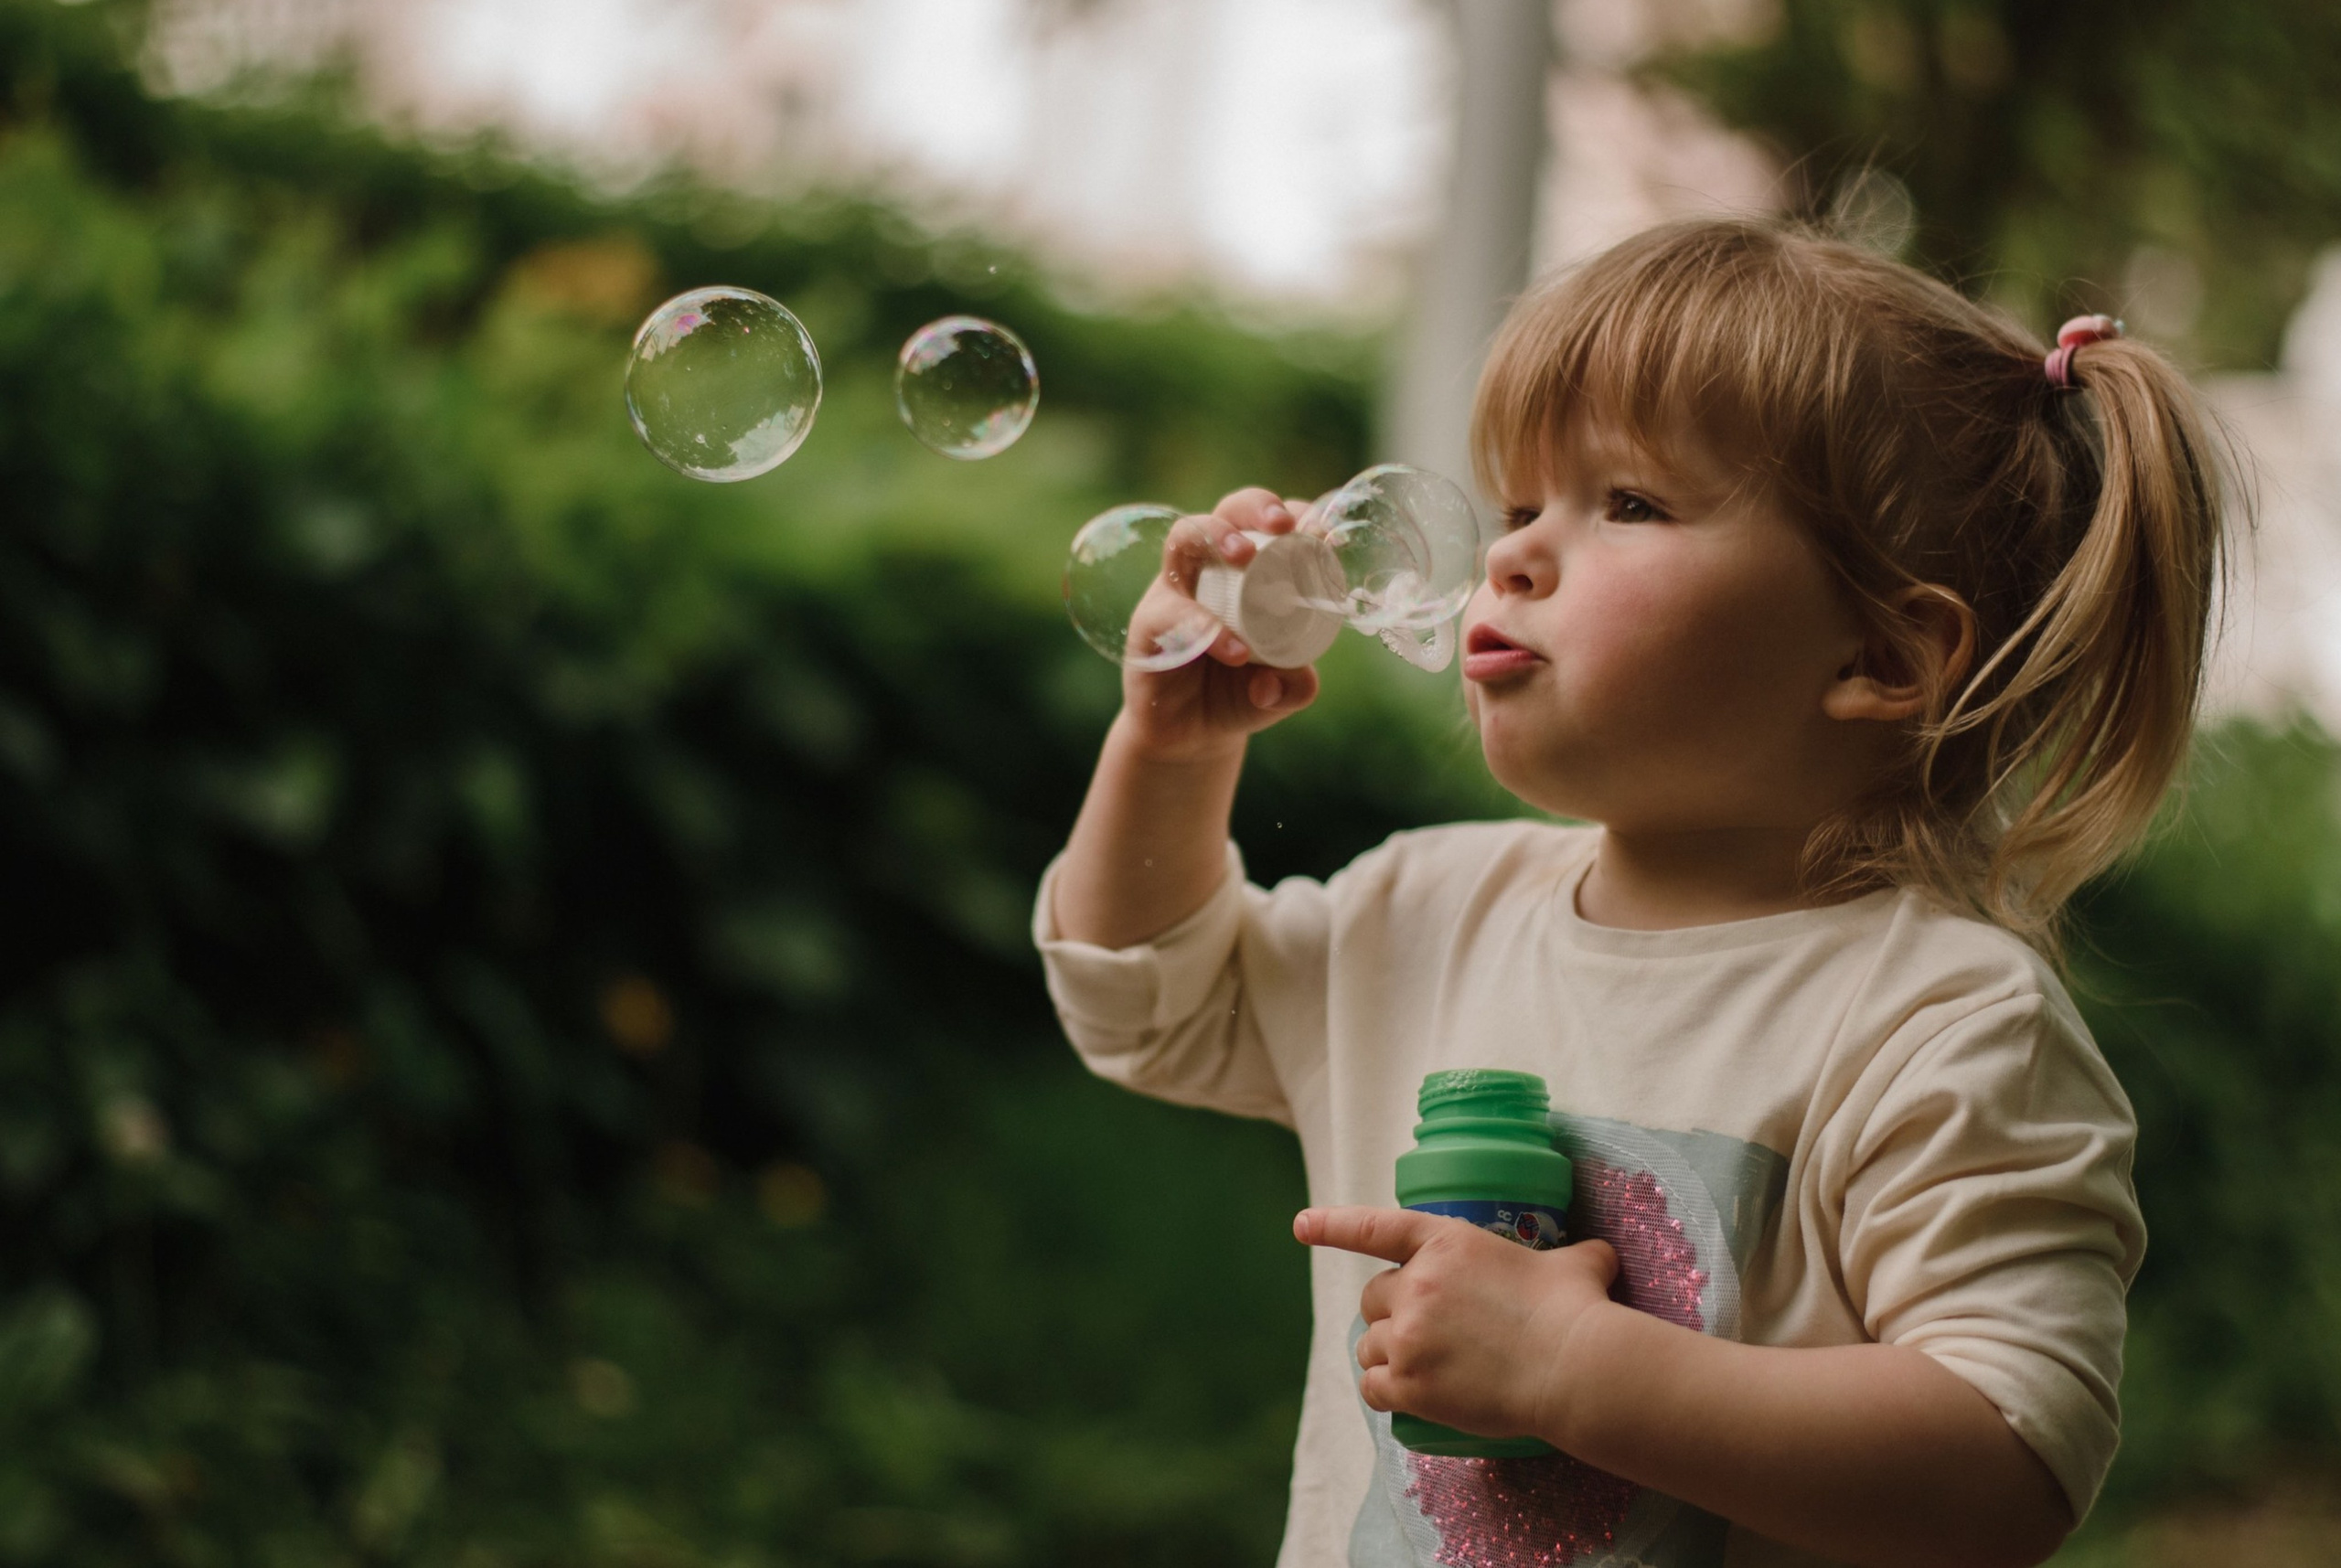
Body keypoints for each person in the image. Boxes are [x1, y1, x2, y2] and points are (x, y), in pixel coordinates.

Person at [1031, 219, 2227, 1568]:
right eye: (1520, 506)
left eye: (1630, 504)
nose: (1513, 558)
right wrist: (1171, 757)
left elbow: (2008, 1460)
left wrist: (1577, 1373)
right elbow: (1150, 1005)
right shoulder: (1422, 910)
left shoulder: (1940, 1023)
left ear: (1882, 653)